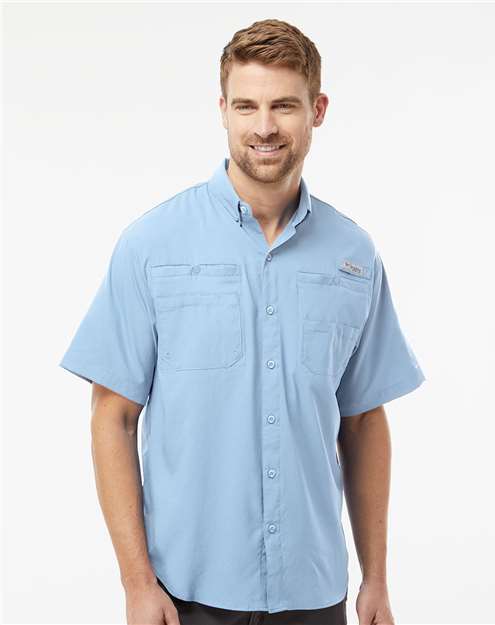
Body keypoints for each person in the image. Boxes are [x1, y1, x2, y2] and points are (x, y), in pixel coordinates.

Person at [59, 18, 425, 625]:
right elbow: (112, 416)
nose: (264, 127)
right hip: (185, 592)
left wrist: (377, 578)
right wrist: (137, 584)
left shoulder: (354, 256)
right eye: (246, 106)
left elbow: (363, 422)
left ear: (317, 111)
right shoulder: (152, 245)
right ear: (223, 110)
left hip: (313, 591)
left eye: (284, 105)